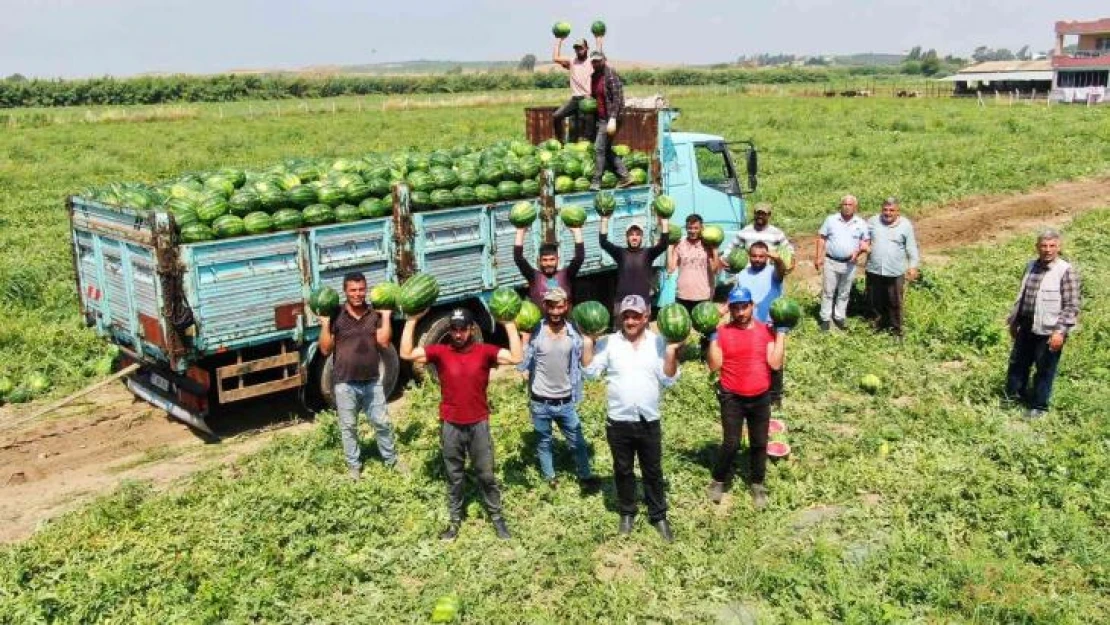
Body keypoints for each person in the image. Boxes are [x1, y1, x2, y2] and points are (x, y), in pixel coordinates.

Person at [399, 308, 523, 540]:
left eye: (462, 329)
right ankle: (455, 521)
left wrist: (508, 324)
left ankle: (497, 519)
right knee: (454, 476)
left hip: (478, 424)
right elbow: (406, 353)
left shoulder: (484, 352)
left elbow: (517, 357)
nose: (458, 334)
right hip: (451, 426)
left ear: (471, 329)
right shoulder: (440, 352)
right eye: (454, 329)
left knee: (486, 475)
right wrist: (412, 321)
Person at [583, 294, 681, 542]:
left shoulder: (659, 342)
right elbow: (591, 373)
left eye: (635, 316)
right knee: (623, 470)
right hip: (619, 420)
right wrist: (587, 342)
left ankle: (658, 516)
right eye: (626, 315)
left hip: (649, 419)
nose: (630, 320)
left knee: (653, 471)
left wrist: (671, 352)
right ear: (620, 317)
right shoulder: (608, 343)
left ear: (646, 317)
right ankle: (627, 512)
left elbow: (669, 379)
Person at [705, 286, 786, 510]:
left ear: (752, 306)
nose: (740, 312)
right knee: (730, 443)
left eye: (744, 307)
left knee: (759, 443)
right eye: (735, 308)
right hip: (732, 397)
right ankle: (719, 480)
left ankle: (757, 483)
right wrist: (712, 338)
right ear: (729, 309)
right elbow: (714, 365)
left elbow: (775, 363)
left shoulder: (766, 331)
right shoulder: (722, 332)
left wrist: (781, 335)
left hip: (760, 396)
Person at [317, 272, 402, 481]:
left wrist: (386, 316)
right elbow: (325, 350)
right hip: (345, 382)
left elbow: (383, 342)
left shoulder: (373, 315)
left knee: (382, 423)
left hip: (372, 381)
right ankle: (354, 467)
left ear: (366, 289)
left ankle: (392, 460)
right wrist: (325, 324)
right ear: (345, 291)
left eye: (361, 289)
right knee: (348, 427)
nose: (357, 294)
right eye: (353, 290)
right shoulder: (336, 316)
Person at [517, 287, 601, 492]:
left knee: (578, 443)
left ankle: (585, 476)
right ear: (544, 306)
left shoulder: (575, 333)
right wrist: (523, 338)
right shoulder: (535, 330)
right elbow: (520, 365)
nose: (555, 311)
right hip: (540, 401)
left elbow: (587, 364)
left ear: (566, 306)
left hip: (565, 401)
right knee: (544, 443)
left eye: (560, 306)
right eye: (551, 306)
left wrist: (592, 339)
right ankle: (550, 477)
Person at [1004, 229, 1080, 419]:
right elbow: (1022, 297)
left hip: (1050, 329)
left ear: (1058, 247)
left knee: (1045, 368)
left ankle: (1039, 407)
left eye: (1052, 246)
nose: (1047, 250)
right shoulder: (1030, 266)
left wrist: (1060, 332)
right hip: (1027, 325)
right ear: (1037, 247)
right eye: (1044, 246)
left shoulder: (1065, 270)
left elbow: (1071, 305)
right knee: (1018, 364)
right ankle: (1013, 398)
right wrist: (1014, 322)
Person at [733, 241, 787, 406]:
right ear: (749, 256)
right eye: (754, 256)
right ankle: (751, 392)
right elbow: (737, 299)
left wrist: (778, 260)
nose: (757, 259)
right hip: (748, 325)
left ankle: (775, 396)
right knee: (750, 360)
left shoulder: (773, 272)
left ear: (767, 257)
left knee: (773, 360)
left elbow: (782, 270)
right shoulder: (742, 274)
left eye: (761, 256)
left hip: (770, 324)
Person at [864, 197, 920, 337]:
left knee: (894, 302)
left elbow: (911, 247)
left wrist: (912, 266)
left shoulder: (905, 225)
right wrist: (863, 245)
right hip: (874, 269)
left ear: (897, 212)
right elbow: (862, 237)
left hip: (895, 271)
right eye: (885, 210)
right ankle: (876, 328)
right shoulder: (872, 221)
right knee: (874, 301)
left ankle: (896, 331)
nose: (888, 213)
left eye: (891, 210)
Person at [814, 195, 870, 331]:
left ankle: (839, 317)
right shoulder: (831, 220)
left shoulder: (861, 223)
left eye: (850, 205)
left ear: (855, 207)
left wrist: (858, 253)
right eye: (844, 204)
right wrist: (818, 257)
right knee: (828, 291)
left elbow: (866, 242)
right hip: (831, 261)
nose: (846, 207)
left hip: (850, 264)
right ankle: (825, 319)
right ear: (841, 206)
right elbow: (821, 238)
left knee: (844, 292)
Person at [599, 214, 670, 318]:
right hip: (622, 302)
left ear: (641, 237)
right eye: (631, 235)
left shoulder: (648, 253)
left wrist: (664, 222)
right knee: (621, 333)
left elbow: (664, 244)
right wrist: (604, 220)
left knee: (641, 333)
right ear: (627, 237)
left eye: (637, 235)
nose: (634, 238)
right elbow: (603, 242)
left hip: (643, 302)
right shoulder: (620, 253)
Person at [587, 51, 634, 191]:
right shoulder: (594, 76)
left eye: (598, 61)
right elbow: (596, 97)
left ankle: (596, 181)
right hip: (601, 118)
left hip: (611, 118)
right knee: (605, 149)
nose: (595, 64)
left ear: (604, 60)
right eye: (593, 61)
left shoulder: (611, 75)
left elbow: (617, 98)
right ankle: (625, 176)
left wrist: (613, 118)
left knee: (599, 148)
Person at [514, 223, 584, 307]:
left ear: (558, 260)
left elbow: (579, 258)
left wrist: (577, 232)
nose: (548, 263)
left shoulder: (566, 275)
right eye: (545, 260)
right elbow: (518, 258)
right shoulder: (533, 276)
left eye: (552, 259)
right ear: (539, 261)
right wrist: (520, 232)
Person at [721, 202, 797, 274]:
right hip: (748, 272)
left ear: (769, 215)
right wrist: (724, 259)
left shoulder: (777, 233)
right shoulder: (745, 231)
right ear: (754, 214)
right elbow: (731, 247)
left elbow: (789, 249)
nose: (760, 216)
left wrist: (791, 260)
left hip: (770, 272)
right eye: (758, 213)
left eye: (763, 214)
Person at [667, 213, 720, 314]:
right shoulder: (680, 244)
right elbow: (670, 269)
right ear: (686, 228)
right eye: (689, 228)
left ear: (701, 228)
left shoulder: (708, 244)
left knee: (705, 328)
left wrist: (715, 250)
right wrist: (670, 248)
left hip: (703, 296)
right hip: (682, 295)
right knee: (681, 329)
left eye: (696, 228)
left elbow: (715, 270)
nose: (692, 231)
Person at [551, 36, 598, 144]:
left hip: (588, 99)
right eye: (576, 48)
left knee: (588, 127)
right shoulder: (572, 61)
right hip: (575, 99)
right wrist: (559, 40)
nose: (578, 50)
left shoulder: (591, 61)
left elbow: (600, 55)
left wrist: (598, 40)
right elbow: (555, 58)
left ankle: (591, 146)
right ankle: (560, 142)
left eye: (581, 48)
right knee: (556, 116)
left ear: (586, 48)